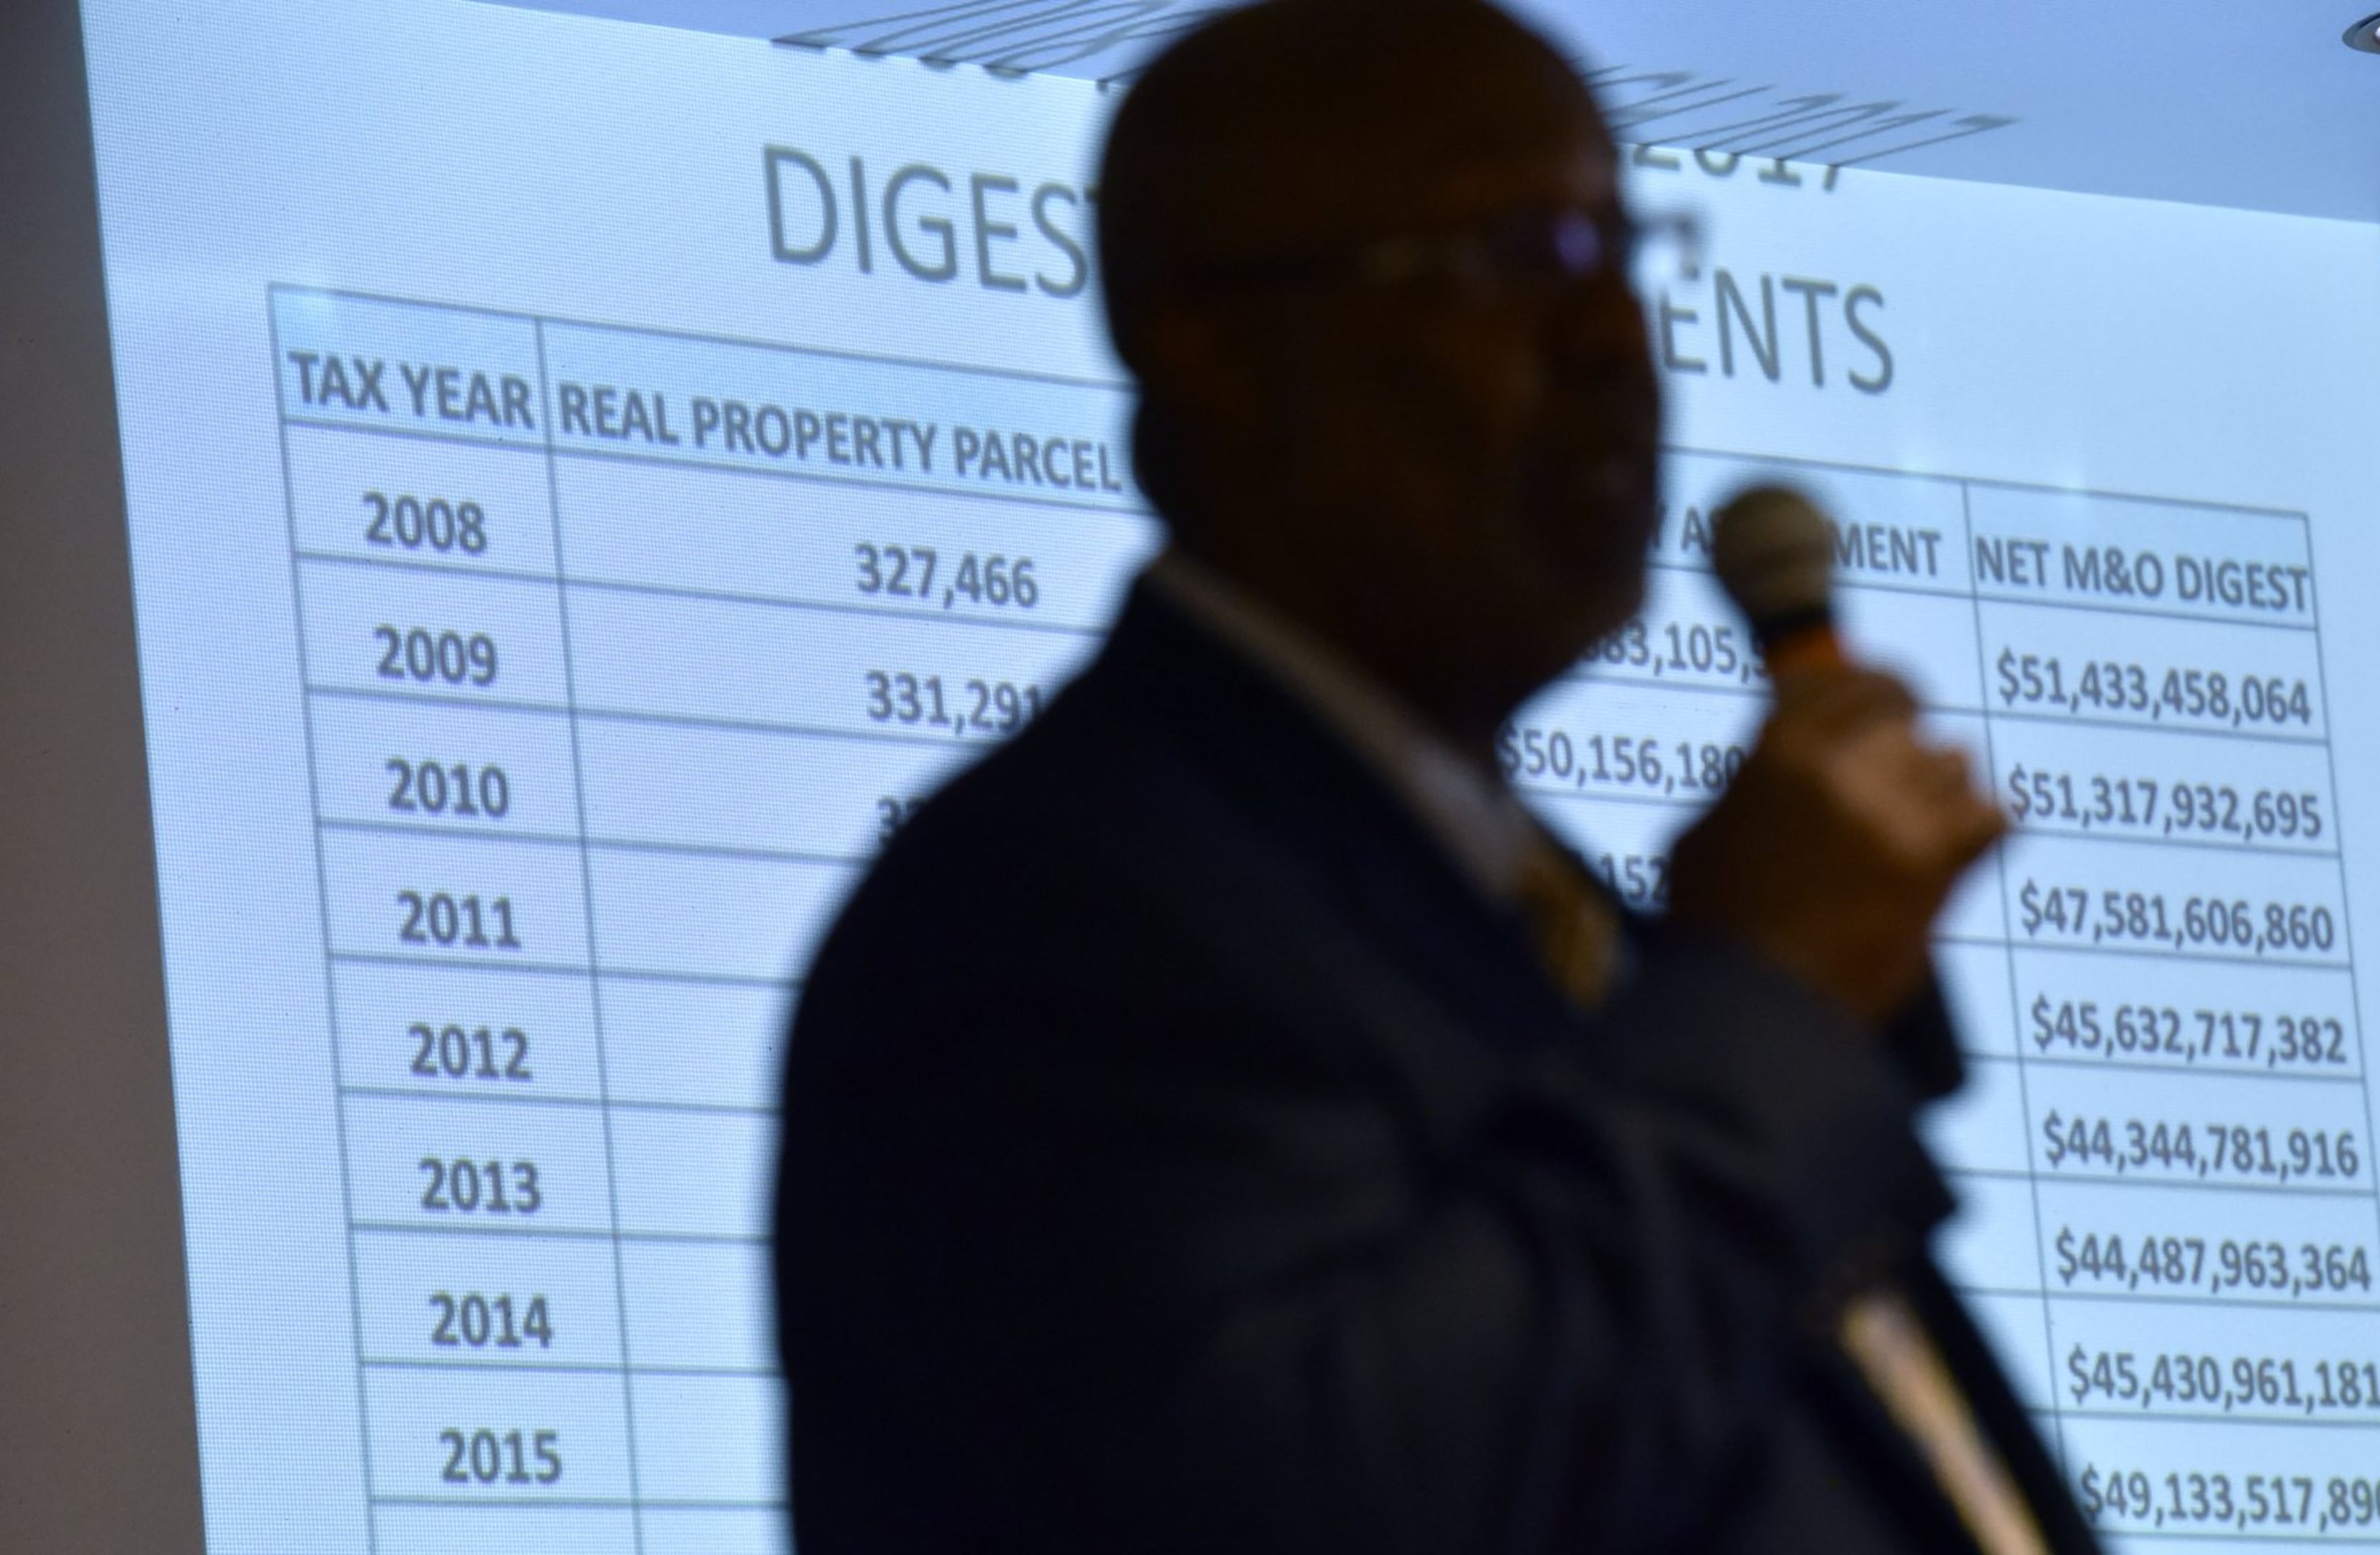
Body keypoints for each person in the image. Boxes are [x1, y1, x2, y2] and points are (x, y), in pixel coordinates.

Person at [774, 1, 2094, 1549]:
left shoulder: (1511, 900)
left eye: (1614, 247)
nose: (1611, 335)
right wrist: (1768, 995)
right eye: (1513, 253)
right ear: (1210, 347)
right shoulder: (1037, 915)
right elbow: (1329, 1503)